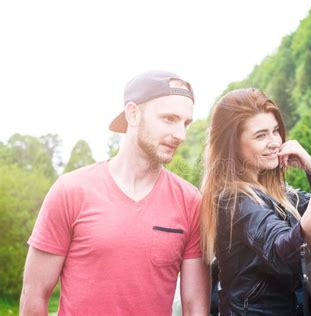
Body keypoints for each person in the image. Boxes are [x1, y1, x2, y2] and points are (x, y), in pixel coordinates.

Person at [20, 70, 210, 315]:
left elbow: (196, 306)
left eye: (186, 123)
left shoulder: (191, 201)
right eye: (169, 119)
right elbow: (34, 296)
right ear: (133, 113)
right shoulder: (71, 190)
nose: (180, 135)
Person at [200, 88, 311, 315]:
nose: (274, 142)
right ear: (232, 144)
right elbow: (283, 254)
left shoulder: (279, 193)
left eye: (275, 131)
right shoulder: (233, 200)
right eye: (260, 135)